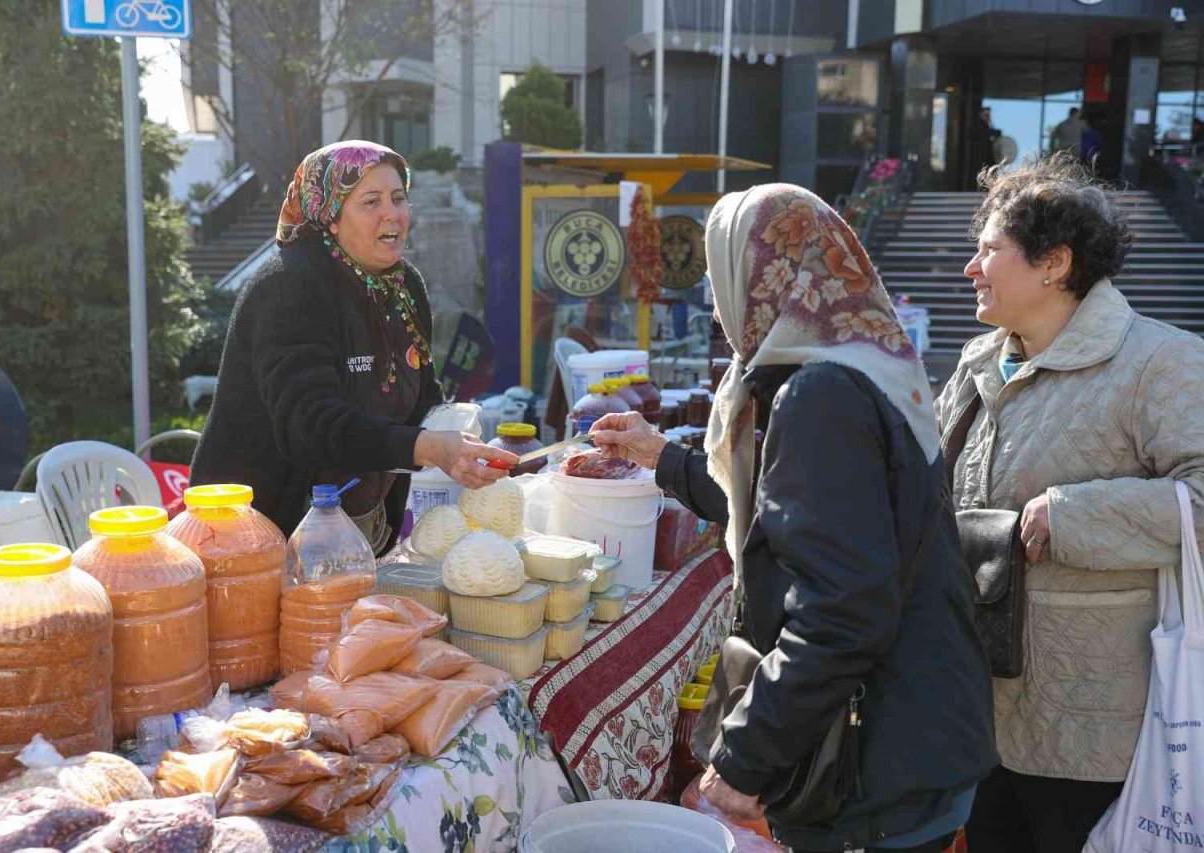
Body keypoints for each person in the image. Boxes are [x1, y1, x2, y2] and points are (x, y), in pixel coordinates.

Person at [590, 184, 996, 852]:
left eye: (726, 275)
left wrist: (748, 755)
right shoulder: (861, 360)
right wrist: (661, 457)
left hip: (878, 760)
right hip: (916, 728)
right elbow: (790, 511)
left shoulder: (821, 396)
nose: (718, 303)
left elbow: (842, 611)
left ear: (763, 278)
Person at [938, 154, 1204, 852]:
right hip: (979, 711)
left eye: (989, 250)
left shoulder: (1160, 362)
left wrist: (1073, 516)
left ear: (1054, 263)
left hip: (1098, 726)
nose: (971, 267)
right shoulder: (976, 361)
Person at [191, 141, 516, 549]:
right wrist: (425, 447)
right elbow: (310, 424)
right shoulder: (289, 286)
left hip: (358, 526)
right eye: (370, 201)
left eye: (398, 197)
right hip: (259, 534)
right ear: (330, 217)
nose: (392, 213)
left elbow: (420, 394)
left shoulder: (404, 286)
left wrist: (458, 439)